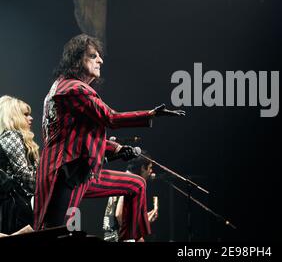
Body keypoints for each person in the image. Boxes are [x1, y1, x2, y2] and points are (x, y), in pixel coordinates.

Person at [34, 34, 185, 241]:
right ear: (78, 60)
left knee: (136, 185)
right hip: (66, 175)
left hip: (80, 172)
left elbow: (78, 137)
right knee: (53, 233)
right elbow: (111, 118)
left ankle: (129, 239)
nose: (100, 61)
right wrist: (150, 114)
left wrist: (116, 149)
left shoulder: (62, 86)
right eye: (93, 56)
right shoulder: (75, 89)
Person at [0, 95, 39, 234]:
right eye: (25, 114)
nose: (31, 118)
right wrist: (44, 190)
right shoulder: (11, 136)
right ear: (13, 116)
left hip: (16, 203)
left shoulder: (12, 137)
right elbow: (23, 173)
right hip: (15, 206)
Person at [103, 156, 158, 242]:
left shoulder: (124, 179)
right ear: (143, 168)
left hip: (112, 236)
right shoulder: (131, 182)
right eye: (150, 168)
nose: (151, 171)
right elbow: (120, 215)